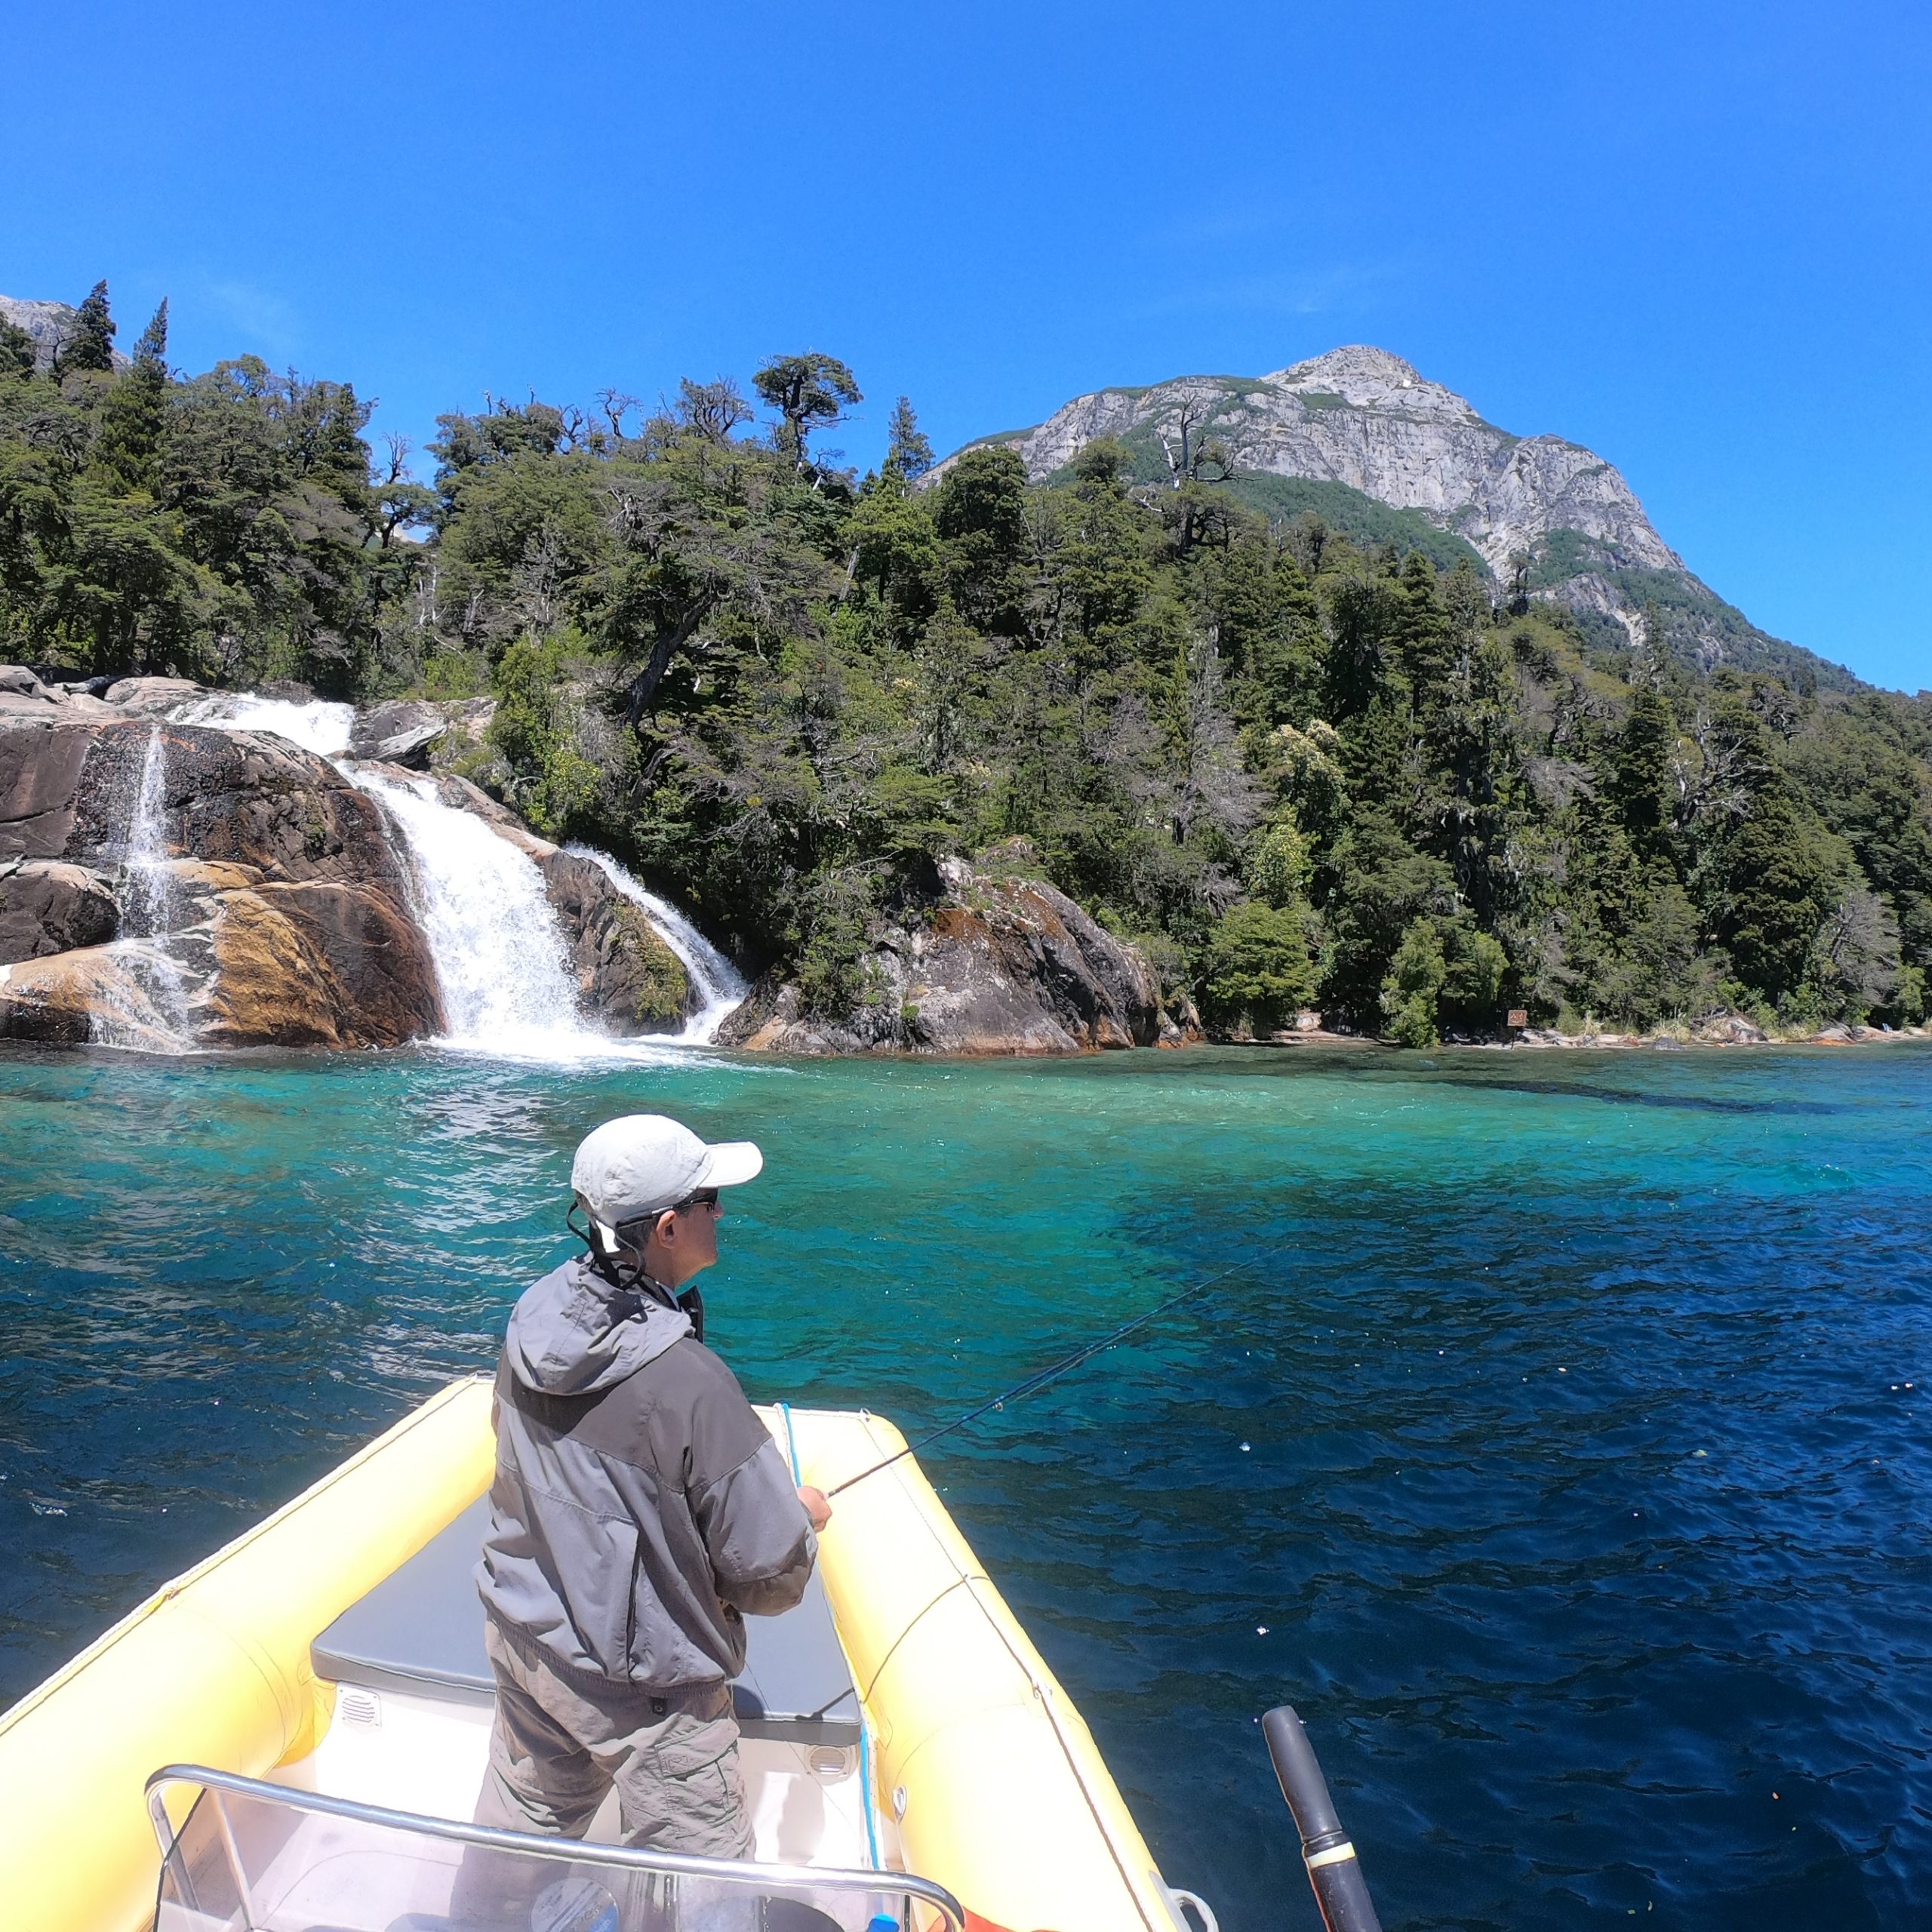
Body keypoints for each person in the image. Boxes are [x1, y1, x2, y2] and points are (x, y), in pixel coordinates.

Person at [462, 1112, 831, 1915]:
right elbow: (768, 1576)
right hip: (646, 1692)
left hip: (527, 1643)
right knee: (706, 1886)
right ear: (668, 1227)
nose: (721, 1212)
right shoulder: (693, 1383)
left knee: (519, 1832)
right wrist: (803, 1516)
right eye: (709, 1200)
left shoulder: (532, 1316)